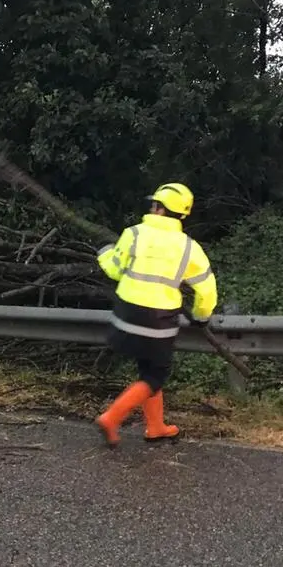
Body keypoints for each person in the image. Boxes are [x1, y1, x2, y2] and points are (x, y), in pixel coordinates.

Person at [94, 182, 218, 446]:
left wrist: (104, 253)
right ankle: (111, 418)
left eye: (155, 204)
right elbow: (207, 289)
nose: (152, 207)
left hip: (125, 314)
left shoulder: (133, 233)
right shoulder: (189, 247)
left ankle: (155, 427)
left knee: (148, 369)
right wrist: (201, 316)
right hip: (159, 321)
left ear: (161, 209)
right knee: (156, 375)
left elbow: (115, 271)